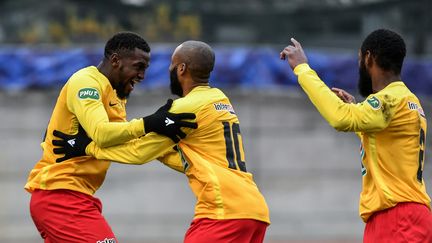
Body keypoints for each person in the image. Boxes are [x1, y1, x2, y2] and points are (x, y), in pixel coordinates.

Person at [52, 40, 270, 243]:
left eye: (171, 66)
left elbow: (137, 153)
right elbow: (191, 159)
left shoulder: (184, 108)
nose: (168, 70)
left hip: (223, 211)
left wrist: (85, 147)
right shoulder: (220, 99)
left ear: (181, 69)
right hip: (254, 211)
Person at [25, 32, 197, 242]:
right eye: (138, 66)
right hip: (59, 197)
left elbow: (132, 147)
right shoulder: (86, 82)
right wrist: (149, 123)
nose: (142, 76)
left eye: (145, 68)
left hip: (76, 197)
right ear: (115, 60)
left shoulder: (115, 95)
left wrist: (190, 160)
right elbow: (101, 133)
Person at [280, 29, 432, 242]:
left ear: (369, 57)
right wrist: (355, 108)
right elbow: (385, 144)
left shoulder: (391, 98)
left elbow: (341, 118)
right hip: (398, 215)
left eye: (360, 59)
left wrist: (303, 69)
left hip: (398, 217)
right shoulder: (407, 100)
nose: (360, 65)